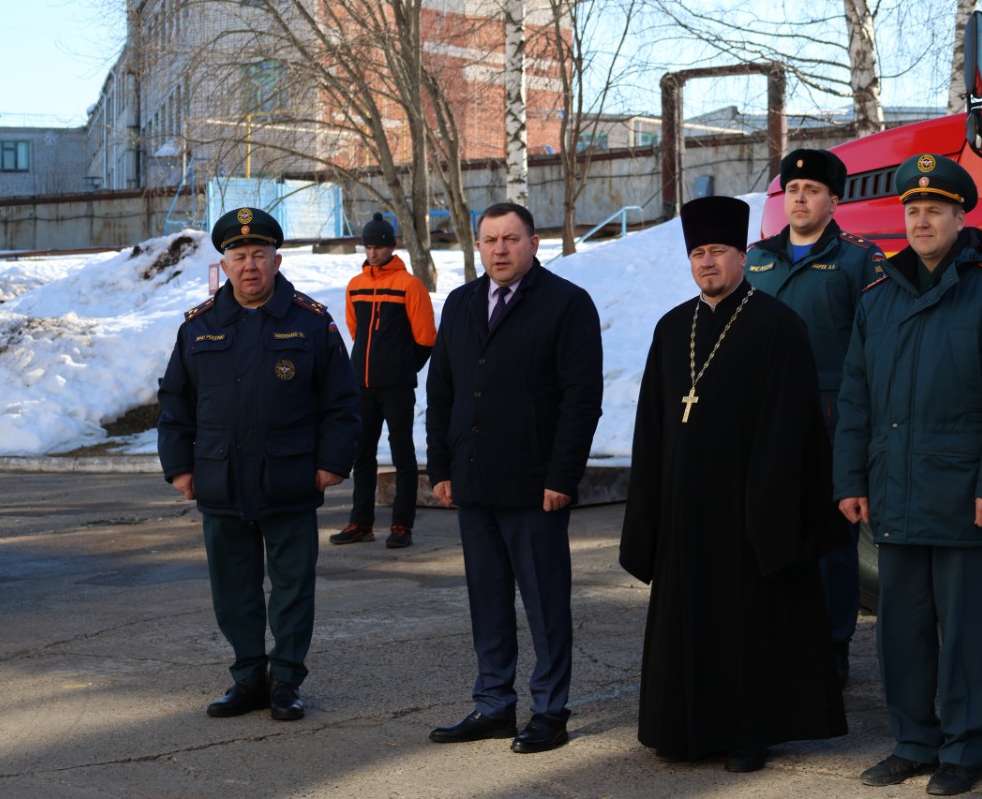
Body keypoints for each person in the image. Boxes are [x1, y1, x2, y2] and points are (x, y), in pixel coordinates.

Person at [834, 155, 982, 796]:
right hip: (893, 492)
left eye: (934, 211)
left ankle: (964, 750)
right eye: (913, 211)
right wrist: (850, 480)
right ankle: (913, 742)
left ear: (959, 217)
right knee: (901, 631)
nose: (921, 221)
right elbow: (855, 398)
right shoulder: (878, 298)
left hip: (964, 497)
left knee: (969, 634)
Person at [619, 195, 847, 773]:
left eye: (717, 251)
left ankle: (748, 734)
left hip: (749, 510)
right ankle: (684, 729)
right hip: (683, 509)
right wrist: (650, 508)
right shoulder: (673, 328)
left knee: (745, 626)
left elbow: (793, 427)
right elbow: (652, 426)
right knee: (688, 623)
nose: (707, 262)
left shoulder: (777, 326)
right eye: (698, 253)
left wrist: (766, 507)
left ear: (742, 256)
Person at [157, 207, 359, 721]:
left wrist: (332, 463)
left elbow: (342, 400)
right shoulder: (198, 327)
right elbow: (175, 402)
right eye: (239, 256)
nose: (250, 265)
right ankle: (248, 677)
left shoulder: (311, 323)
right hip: (220, 479)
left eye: (259, 255)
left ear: (277, 260)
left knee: (292, 587)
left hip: (290, 477)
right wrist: (180, 468)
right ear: (224, 264)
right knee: (233, 588)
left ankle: (286, 680)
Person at [424, 202, 603, 754]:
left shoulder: (566, 303)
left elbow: (581, 399)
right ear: (477, 246)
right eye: (490, 240)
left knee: (545, 605)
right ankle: (494, 704)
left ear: (533, 243)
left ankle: (549, 711)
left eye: (511, 239)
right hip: (474, 480)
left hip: (535, 486)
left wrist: (563, 475)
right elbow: (441, 390)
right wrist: (440, 467)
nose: (499, 249)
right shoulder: (460, 303)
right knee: (488, 601)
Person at [745, 148, 887, 687]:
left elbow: (877, 345)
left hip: (833, 421)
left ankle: (832, 645)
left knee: (832, 542)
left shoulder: (859, 259)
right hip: (766, 419)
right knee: (771, 531)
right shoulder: (757, 259)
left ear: (834, 200)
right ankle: (780, 639)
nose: (800, 198)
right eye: (792, 190)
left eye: (811, 190)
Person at [331, 213, 436, 548]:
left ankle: (402, 525)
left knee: (402, 453)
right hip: (361, 385)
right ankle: (361, 523)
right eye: (368, 246)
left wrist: (402, 368)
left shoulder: (410, 285)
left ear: (391, 247)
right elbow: (355, 331)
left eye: (378, 246)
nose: (372, 252)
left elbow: (426, 338)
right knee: (361, 454)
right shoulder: (355, 285)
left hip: (397, 387)